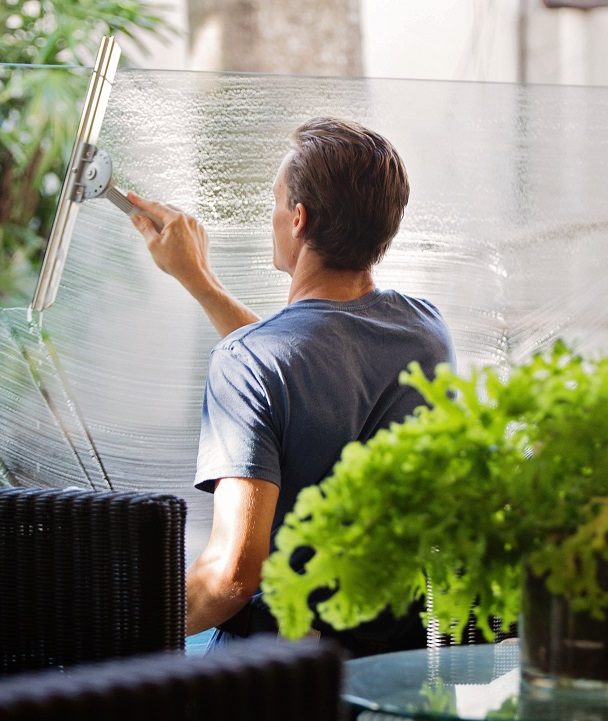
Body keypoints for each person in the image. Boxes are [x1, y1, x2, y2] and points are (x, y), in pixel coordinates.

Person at [127, 116, 455, 656]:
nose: (273, 215)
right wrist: (200, 282)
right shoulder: (426, 333)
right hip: (394, 664)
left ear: (298, 220)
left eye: (276, 201)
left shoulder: (250, 362)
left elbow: (231, 578)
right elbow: (310, 362)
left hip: (280, 677)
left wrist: (110, 624)